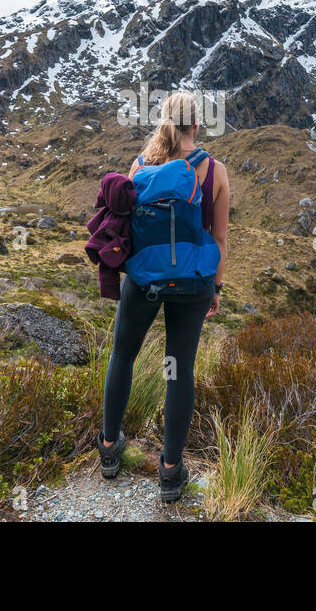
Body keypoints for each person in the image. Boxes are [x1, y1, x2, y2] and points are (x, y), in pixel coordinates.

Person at [97, 91, 230, 502]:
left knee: (123, 355)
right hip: (192, 282)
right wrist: (217, 288)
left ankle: (108, 450)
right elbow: (220, 238)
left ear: (164, 122)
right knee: (178, 368)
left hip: (144, 279)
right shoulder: (214, 171)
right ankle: (170, 472)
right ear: (196, 124)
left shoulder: (139, 167)